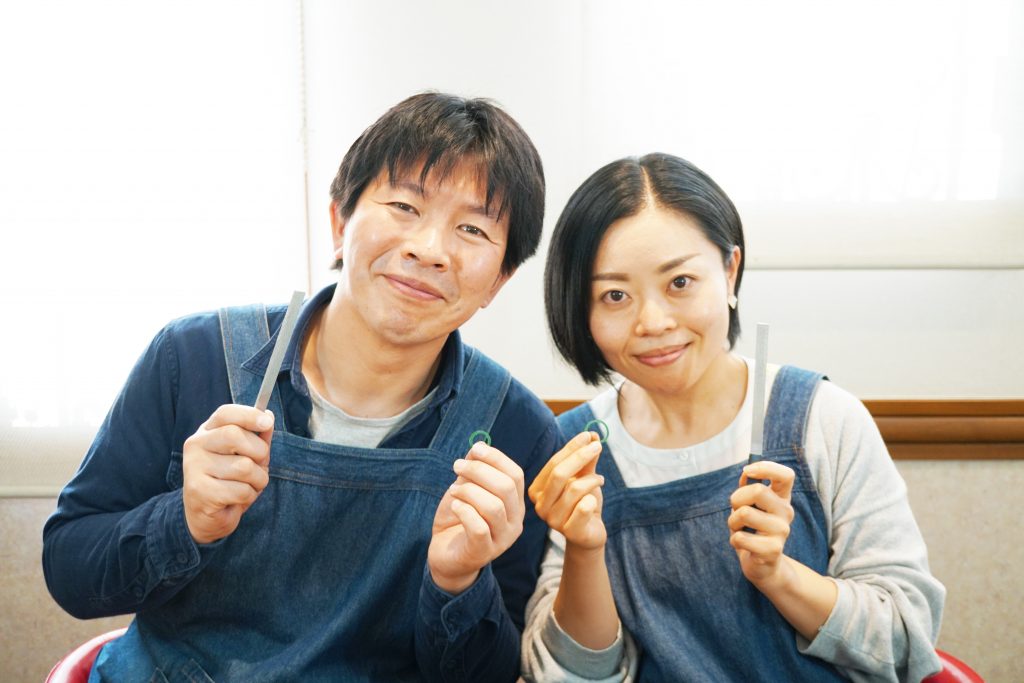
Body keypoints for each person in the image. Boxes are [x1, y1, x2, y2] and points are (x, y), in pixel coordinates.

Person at [43, 92, 559, 683]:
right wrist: (183, 520)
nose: (429, 249)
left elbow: (489, 674)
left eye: (471, 228)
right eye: (404, 206)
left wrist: (459, 582)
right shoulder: (194, 359)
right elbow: (70, 570)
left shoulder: (514, 434)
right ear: (340, 223)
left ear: (499, 280)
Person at [521, 153, 945, 682]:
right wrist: (585, 550)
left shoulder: (824, 421)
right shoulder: (574, 453)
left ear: (729, 272)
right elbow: (565, 677)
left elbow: (905, 639)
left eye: (680, 282)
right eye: (615, 295)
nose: (653, 322)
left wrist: (778, 574)